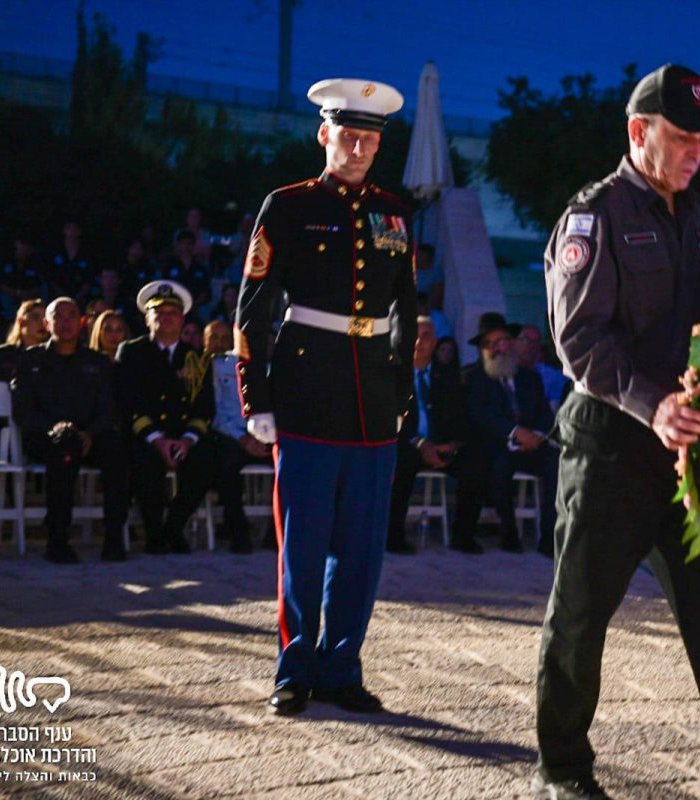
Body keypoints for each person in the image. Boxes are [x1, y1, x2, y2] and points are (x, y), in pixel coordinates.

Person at [537, 64, 700, 799]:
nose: (694, 152)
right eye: (681, 137)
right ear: (638, 132)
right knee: (579, 621)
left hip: (688, 466)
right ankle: (563, 772)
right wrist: (653, 406)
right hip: (610, 449)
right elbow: (579, 340)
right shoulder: (597, 215)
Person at [236, 76, 416, 717]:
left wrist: (405, 395)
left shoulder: (396, 212)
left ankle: (342, 666)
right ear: (324, 134)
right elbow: (254, 308)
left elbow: (406, 314)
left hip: (373, 397)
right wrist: (255, 396)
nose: (361, 147)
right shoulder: (286, 205)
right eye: (349, 134)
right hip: (306, 389)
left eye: (371, 138)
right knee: (304, 542)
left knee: (363, 547)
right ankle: (294, 670)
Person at [12, 298, 128, 563]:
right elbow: (23, 411)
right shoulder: (31, 361)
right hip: (47, 438)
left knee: (115, 448)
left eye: (71, 316)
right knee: (63, 447)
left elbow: (108, 409)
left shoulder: (96, 363)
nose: (64, 322)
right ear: (46, 323)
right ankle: (57, 537)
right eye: (58, 316)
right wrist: (55, 429)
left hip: (89, 437)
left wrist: (90, 433)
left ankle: (113, 537)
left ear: (82, 322)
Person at [115, 280, 217, 555]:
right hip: (147, 435)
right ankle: (154, 534)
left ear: (183, 319)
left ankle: (173, 527)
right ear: (147, 318)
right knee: (143, 464)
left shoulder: (196, 357)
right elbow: (126, 402)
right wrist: (157, 440)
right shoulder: (132, 351)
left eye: (172, 312)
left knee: (207, 461)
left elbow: (205, 408)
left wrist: (187, 440)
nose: (165, 318)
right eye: (158, 312)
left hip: (184, 436)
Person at [388, 316, 485, 555]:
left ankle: (463, 535)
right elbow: (389, 419)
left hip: (440, 445)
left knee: (475, 461)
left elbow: (461, 415)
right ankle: (393, 536)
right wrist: (421, 445)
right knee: (401, 462)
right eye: (416, 335)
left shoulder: (447, 376)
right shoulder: (394, 375)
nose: (421, 341)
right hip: (407, 443)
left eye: (427, 336)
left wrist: (452, 444)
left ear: (435, 343)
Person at [463, 312, 558, 555]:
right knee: (498, 465)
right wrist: (516, 433)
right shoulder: (474, 377)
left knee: (557, 464)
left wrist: (536, 435)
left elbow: (545, 413)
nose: (497, 349)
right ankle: (509, 534)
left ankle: (549, 538)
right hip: (498, 445)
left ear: (512, 342)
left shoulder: (529, 378)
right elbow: (483, 417)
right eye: (489, 344)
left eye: (501, 341)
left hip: (532, 445)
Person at [206, 320, 262, 554]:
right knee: (227, 465)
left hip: (260, 434)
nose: (220, 343)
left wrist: (262, 437)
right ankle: (238, 533)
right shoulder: (210, 368)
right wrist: (242, 438)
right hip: (228, 434)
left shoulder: (259, 366)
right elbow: (215, 413)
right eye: (213, 338)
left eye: (224, 338)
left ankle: (275, 535)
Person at [514, 323, 570, 413]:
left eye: (536, 341)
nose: (532, 346)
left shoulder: (551, 376)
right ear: (514, 342)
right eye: (526, 340)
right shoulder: (503, 372)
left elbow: (554, 411)